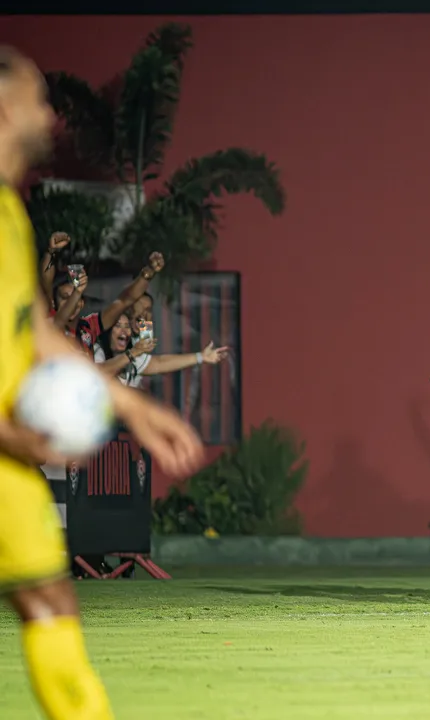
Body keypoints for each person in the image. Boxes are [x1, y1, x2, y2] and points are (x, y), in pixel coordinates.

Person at [0, 45, 203, 720]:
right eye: (36, 99)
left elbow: (38, 333)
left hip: (10, 460)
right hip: (9, 442)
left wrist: (128, 404)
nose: (51, 115)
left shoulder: (9, 214)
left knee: (49, 602)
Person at [49, 254, 164, 355]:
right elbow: (58, 322)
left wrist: (149, 271)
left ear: (82, 303)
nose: (72, 303)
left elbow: (124, 301)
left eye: (75, 298)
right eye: (65, 298)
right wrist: (77, 292)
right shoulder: (47, 328)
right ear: (53, 303)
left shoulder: (88, 328)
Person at [94, 313, 230, 388]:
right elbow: (99, 372)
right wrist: (133, 352)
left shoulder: (133, 354)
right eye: (118, 326)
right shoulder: (96, 351)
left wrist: (200, 357)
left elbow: (159, 362)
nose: (124, 330)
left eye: (127, 326)